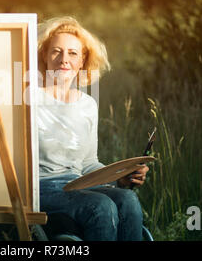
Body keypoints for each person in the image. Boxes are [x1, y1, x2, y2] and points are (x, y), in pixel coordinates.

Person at [36, 16, 150, 241]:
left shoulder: (87, 104)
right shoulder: (28, 100)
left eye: (73, 53)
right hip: (40, 189)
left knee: (128, 200)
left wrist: (121, 177)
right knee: (101, 206)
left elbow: (88, 164)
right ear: (44, 56)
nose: (63, 60)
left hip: (76, 186)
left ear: (82, 61)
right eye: (56, 52)